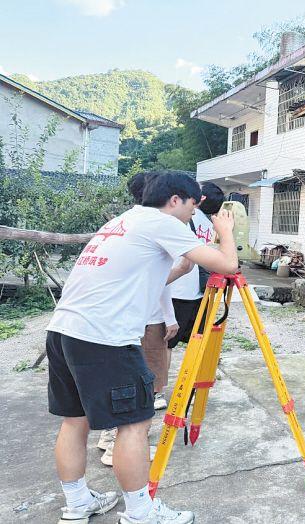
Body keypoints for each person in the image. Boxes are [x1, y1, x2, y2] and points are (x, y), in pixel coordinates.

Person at [47, 171, 238, 524]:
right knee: (134, 424)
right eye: (193, 206)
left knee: (75, 421)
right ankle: (141, 513)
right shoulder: (162, 222)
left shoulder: (124, 221)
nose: (193, 214)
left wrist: (185, 265)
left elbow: (146, 277)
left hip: (64, 331)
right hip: (104, 338)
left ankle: (77, 504)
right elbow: (228, 264)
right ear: (176, 200)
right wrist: (226, 232)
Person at [96, 172, 183, 468]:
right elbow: (160, 282)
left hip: (123, 319)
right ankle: (117, 444)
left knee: (127, 382)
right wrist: (169, 317)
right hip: (145, 320)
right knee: (141, 385)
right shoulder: (155, 227)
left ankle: (111, 437)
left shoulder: (124, 224)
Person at [167, 182, 225, 350]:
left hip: (176, 289)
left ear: (201, 197)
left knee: (166, 344)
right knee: (197, 341)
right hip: (200, 292)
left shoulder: (182, 218)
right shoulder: (213, 225)